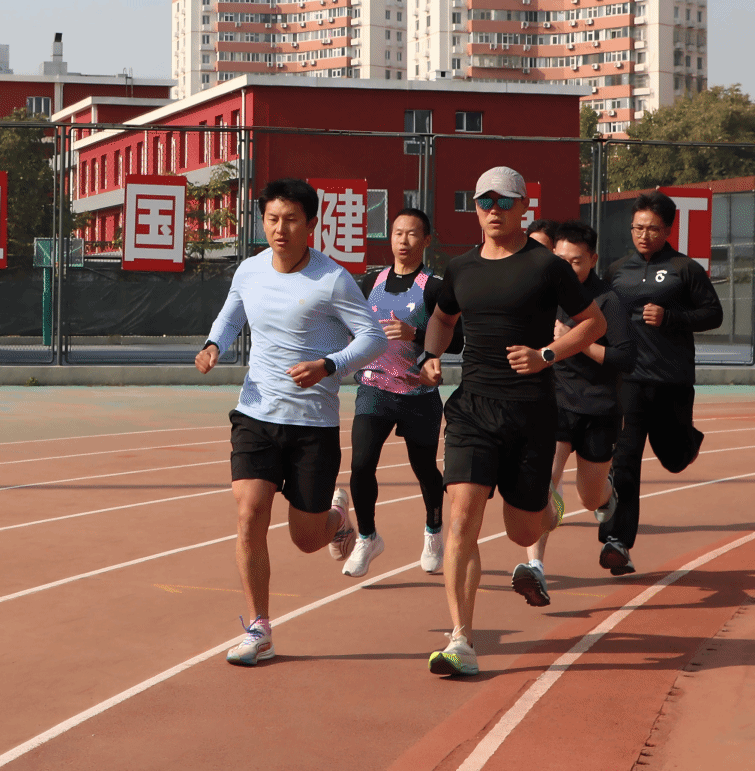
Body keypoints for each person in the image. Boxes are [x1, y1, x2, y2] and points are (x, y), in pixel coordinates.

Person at [417, 167, 608, 676]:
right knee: (462, 516)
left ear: (524, 206)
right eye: (484, 201)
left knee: (522, 527)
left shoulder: (546, 266)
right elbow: (442, 317)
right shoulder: (461, 268)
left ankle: (547, 504)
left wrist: (547, 354)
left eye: (504, 201)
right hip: (472, 409)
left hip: (530, 412)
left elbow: (594, 323)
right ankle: (461, 639)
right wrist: (430, 356)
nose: (493, 210)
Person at [196, 178, 387, 666]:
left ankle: (337, 519)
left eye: (291, 220)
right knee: (249, 514)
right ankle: (259, 627)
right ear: (263, 221)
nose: (280, 229)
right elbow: (230, 317)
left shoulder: (332, 279)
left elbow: (372, 338)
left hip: (311, 425)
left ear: (311, 224)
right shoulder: (250, 270)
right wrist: (214, 345)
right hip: (256, 413)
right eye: (272, 219)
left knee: (305, 540)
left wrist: (328, 365)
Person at [512, 220, 636, 606]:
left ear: (593, 259)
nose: (567, 268)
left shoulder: (609, 301)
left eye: (576, 261)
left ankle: (607, 495)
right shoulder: (545, 294)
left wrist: (574, 342)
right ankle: (535, 567)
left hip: (599, 409)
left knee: (589, 497)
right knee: (543, 482)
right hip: (555, 402)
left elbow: (624, 358)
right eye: (560, 260)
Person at [604, 193, 723, 575]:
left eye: (652, 228)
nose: (644, 235)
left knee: (674, 458)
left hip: (672, 381)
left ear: (668, 230)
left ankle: (689, 442)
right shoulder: (617, 270)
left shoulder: (684, 269)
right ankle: (617, 541)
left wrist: (671, 316)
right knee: (624, 460)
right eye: (638, 227)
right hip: (629, 381)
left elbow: (713, 314)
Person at [342, 207, 452, 578]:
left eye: (412, 233)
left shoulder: (434, 287)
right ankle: (367, 537)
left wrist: (415, 334)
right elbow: (354, 327)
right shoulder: (370, 281)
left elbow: (456, 340)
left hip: (418, 394)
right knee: (361, 464)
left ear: (426, 240)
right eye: (397, 233)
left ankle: (433, 531)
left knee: (425, 469)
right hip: (374, 387)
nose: (403, 240)